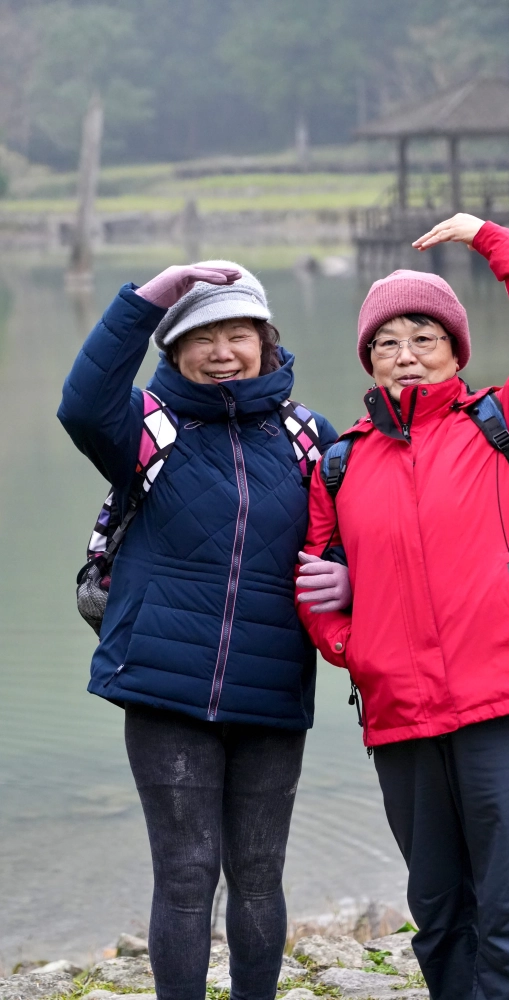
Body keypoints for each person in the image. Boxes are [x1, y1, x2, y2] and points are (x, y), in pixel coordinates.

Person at [296, 214, 509, 1000]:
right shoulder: (341, 462)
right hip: (401, 716)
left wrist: (490, 239)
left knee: (508, 911)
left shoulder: (504, 427)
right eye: (387, 341)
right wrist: (352, 647)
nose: (406, 355)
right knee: (436, 911)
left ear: (457, 351)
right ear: (368, 359)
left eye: (424, 336)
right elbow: (317, 576)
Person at [57, 261, 350, 1000]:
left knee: (257, 873)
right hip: (164, 689)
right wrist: (151, 295)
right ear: (174, 349)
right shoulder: (147, 426)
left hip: (272, 687)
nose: (221, 350)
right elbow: (82, 403)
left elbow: (353, 535)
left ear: (265, 339)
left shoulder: (309, 436)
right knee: (186, 873)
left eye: (237, 333)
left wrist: (347, 577)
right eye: (200, 336)